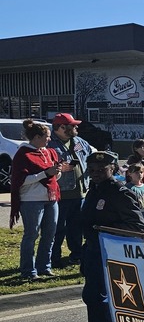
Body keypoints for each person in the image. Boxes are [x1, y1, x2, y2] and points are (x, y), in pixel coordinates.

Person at [78, 150, 144, 322]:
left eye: (101, 169)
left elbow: (137, 225)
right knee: (93, 296)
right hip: (93, 250)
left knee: (103, 297)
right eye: (92, 170)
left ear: (113, 169)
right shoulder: (95, 190)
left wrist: (105, 230)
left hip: (111, 253)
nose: (96, 173)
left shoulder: (119, 192)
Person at [10, 120, 67, 280]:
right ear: (36, 137)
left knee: (50, 234)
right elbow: (20, 180)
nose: (49, 140)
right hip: (31, 200)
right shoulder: (23, 154)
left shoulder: (48, 153)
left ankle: (44, 267)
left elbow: (53, 176)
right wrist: (45, 173)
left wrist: (57, 172)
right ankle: (28, 271)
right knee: (31, 235)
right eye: (47, 136)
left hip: (51, 197)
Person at [48, 112, 93, 268]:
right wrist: (59, 169)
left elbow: (91, 156)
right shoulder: (49, 144)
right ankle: (54, 258)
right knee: (58, 228)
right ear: (61, 127)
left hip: (80, 193)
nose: (76, 127)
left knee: (76, 228)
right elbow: (44, 168)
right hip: (60, 195)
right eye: (72, 125)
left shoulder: (79, 141)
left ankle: (76, 255)